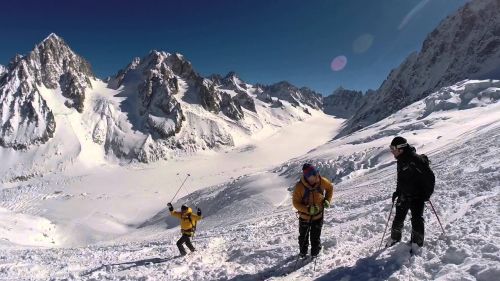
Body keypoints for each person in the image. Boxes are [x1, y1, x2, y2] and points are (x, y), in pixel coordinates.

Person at [386, 136, 435, 249]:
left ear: (401, 149)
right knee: (398, 218)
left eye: (393, 148)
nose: (392, 151)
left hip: (417, 196)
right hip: (404, 194)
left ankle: (416, 244)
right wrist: (397, 192)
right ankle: (394, 240)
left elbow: (430, 177)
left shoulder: (415, 160)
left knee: (417, 219)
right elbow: (401, 178)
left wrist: (427, 194)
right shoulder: (401, 160)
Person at [292, 163, 333, 258]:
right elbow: (296, 203)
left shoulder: (321, 181)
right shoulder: (299, 187)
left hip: (318, 216)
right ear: (307, 177)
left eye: (316, 173)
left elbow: (330, 188)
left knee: (315, 237)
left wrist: (327, 200)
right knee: (303, 237)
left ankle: (315, 253)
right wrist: (308, 209)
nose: (316, 176)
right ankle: (303, 253)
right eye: (313, 175)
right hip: (304, 217)